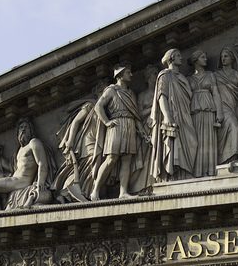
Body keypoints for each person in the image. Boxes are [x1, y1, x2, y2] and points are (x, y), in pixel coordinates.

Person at [93, 65, 147, 199]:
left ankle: (123, 192)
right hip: (116, 125)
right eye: (128, 72)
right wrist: (106, 122)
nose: (131, 75)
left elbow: (135, 115)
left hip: (129, 125)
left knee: (127, 160)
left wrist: (143, 133)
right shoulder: (111, 90)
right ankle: (95, 190)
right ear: (120, 75)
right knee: (111, 159)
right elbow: (98, 106)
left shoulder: (131, 93)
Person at [150, 48, 199, 182]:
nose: (181, 58)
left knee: (191, 141)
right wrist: (167, 115)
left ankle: (187, 170)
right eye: (178, 55)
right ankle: (176, 173)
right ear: (171, 58)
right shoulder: (165, 75)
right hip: (174, 114)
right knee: (174, 142)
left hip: (185, 114)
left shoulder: (182, 77)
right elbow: (162, 96)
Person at [214, 46, 238, 163]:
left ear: (232, 58)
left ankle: (227, 156)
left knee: (233, 126)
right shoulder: (216, 75)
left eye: (226, 56)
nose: (223, 59)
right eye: (222, 57)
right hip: (221, 105)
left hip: (232, 105)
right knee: (233, 125)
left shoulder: (236, 74)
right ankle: (232, 156)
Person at [188, 51, 224, 177]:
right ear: (195, 60)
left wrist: (219, 112)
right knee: (196, 141)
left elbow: (216, 93)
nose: (206, 59)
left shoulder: (210, 75)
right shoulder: (189, 79)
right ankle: (197, 171)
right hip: (195, 113)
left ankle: (210, 170)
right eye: (202, 57)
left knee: (209, 140)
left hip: (209, 111)